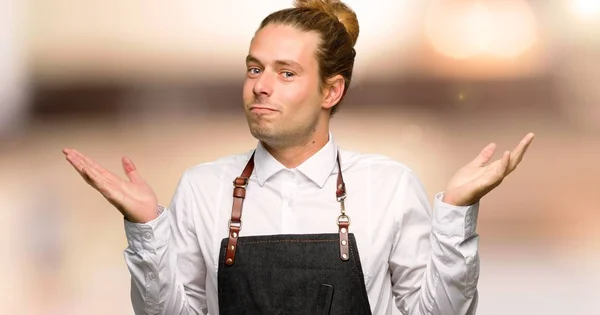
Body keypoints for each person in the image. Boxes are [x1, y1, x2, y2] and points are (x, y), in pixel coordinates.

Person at [63, 0, 534, 314]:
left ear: (332, 89)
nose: (260, 86)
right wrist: (147, 228)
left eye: (286, 72)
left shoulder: (387, 186)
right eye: (254, 68)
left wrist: (455, 213)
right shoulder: (203, 187)